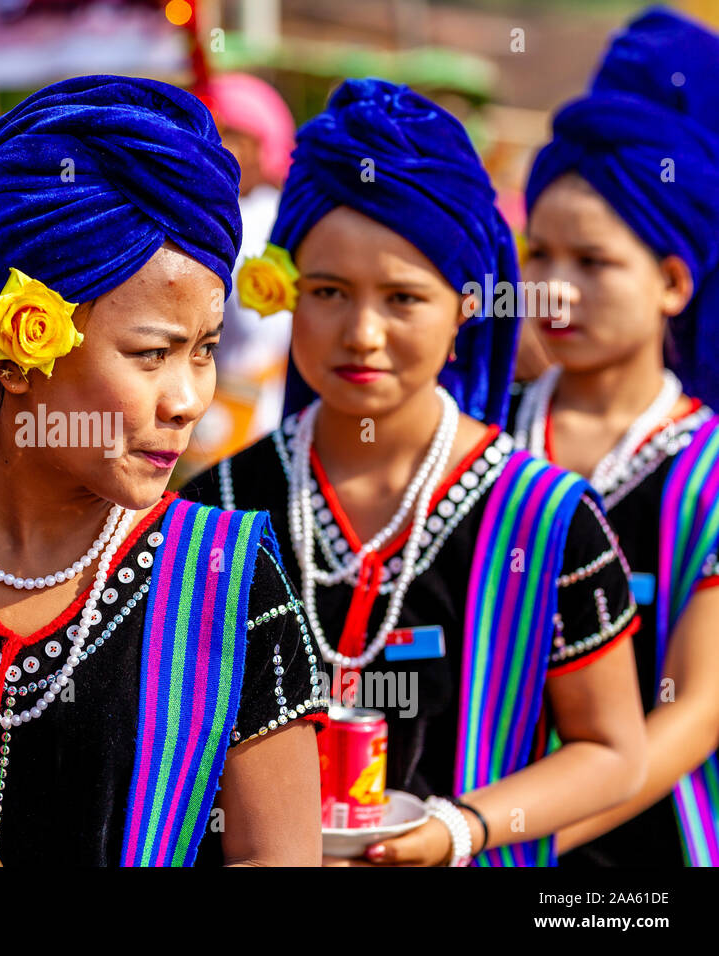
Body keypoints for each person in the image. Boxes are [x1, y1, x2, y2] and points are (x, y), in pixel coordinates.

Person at [0, 75, 328, 867]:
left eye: (205, 349)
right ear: (17, 351)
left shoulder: (225, 581)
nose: (188, 399)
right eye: (151, 354)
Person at [184, 78, 647, 867]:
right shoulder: (220, 509)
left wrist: (461, 828)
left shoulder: (544, 517)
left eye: (403, 298)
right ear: (286, 289)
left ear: (466, 308)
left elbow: (613, 749)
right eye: (328, 292)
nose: (362, 333)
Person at [513, 7, 719, 867]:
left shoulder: (704, 470)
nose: (557, 291)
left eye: (593, 264)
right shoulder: (490, 437)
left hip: (642, 850)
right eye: (538, 256)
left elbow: (698, 711)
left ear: (674, 280)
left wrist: (518, 835)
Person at [184, 73, 296, 479]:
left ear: (255, 145)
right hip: (208, 420)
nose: (205, 147)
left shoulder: (275, 220)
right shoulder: (203, 216)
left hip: (259, 421)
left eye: (225, 133)